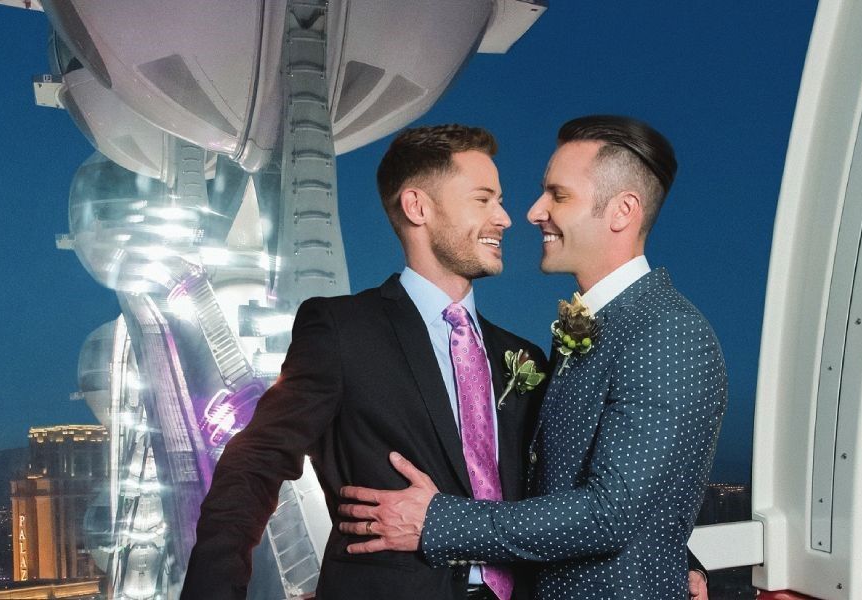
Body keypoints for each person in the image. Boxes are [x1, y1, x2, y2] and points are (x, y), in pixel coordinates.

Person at [338, 115, 727, 600]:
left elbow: (610, 512)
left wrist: (437, 520)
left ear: (622, 211)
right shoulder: (595, 330)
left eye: (559, 196)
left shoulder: (668, 332)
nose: (533, 211)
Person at [180, 124, 550, 600]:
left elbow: (571, 490)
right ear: (418, 206)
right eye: (483, 199)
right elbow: (256, 462)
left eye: (499, 200)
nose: (504, 218)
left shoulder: (522, 357)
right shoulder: (341, 331)